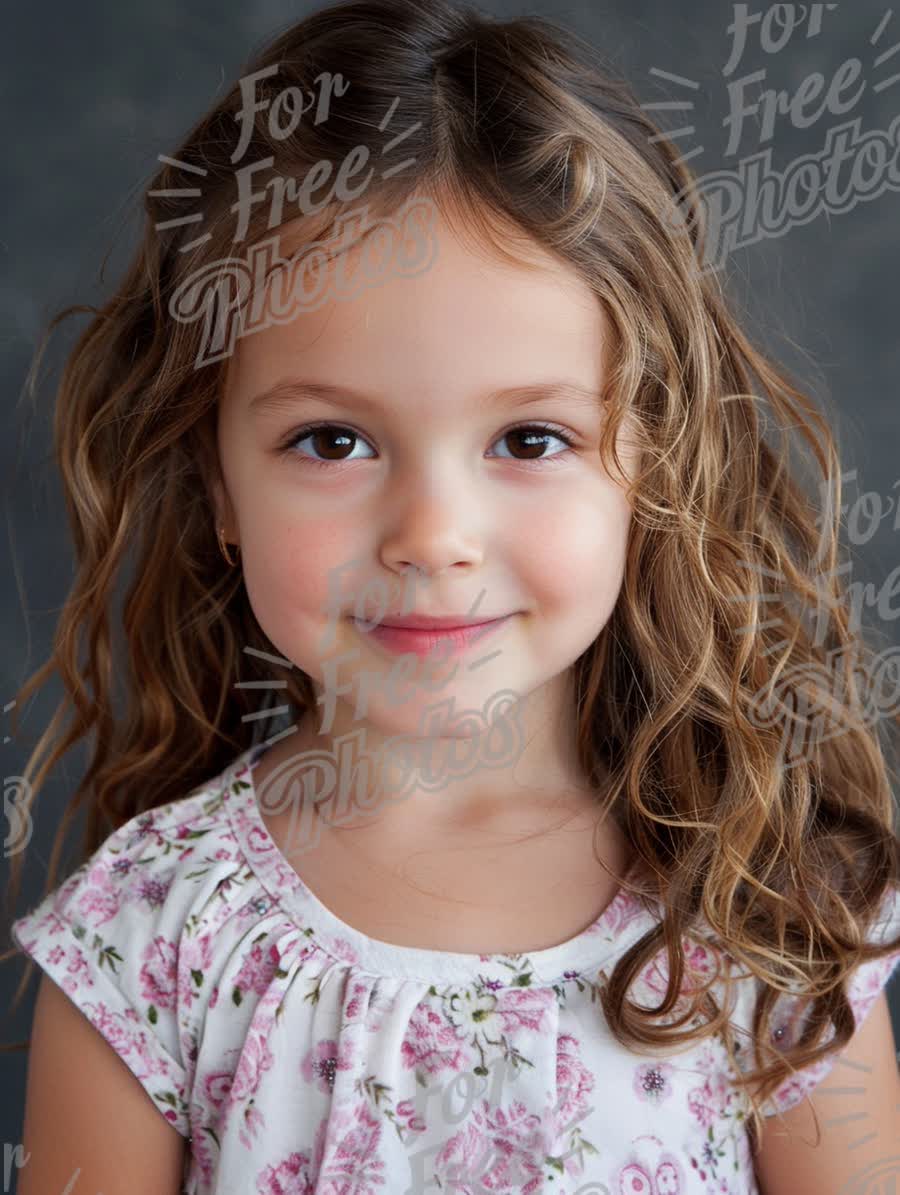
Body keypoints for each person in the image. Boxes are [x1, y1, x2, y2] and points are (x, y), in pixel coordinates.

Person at [4, 0, 900, 1192]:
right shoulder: (150, 939)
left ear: (654, 465)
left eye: (530, 438)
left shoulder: (763, 916)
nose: (431, 536)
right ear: (216, 483)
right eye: (332, 441)